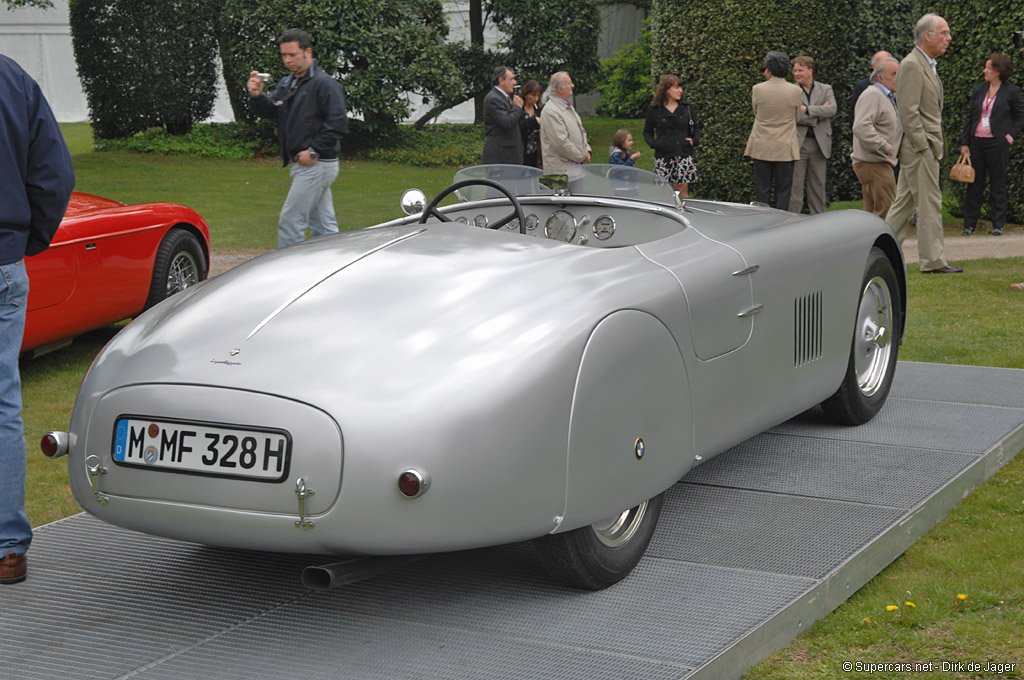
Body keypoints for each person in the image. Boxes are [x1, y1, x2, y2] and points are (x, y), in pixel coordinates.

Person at [0, 55, 75, 585]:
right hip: (3, 260)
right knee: (2, 407)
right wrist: (21, 243)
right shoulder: (12, 78)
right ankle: (7, 549)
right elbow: (54, 175)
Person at [248, 28, 349, 249]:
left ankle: (288, 275)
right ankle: (337, 268)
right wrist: (257, 96)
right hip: (309, 164)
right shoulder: (289, 83)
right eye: (284, 55)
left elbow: (338, 124)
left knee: (290, 222)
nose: (288, 60)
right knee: (324, 226)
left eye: (292, 54)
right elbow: (272, 111)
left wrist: (313, 151)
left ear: (308, 52)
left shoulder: (325, 84)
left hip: (316, 164)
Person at [884, 14, 961, 274]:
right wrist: (923, 145)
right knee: (929, 203)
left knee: (903, 204)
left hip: (921, 146)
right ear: (927, 36)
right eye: (944, 33)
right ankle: (932, 261)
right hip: (919, 147)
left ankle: (878, 250)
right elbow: (908, 111)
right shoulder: (912, 65)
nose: (949, 39)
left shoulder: (925, 63)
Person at [958, 54, 1024, 236]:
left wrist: (1009, 137)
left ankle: (998, 224)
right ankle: (969, 224)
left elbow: (1020, 117)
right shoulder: (979, 89)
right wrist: (965, 142)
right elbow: (970, 116)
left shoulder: (1012, 91)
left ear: (998, 71)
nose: (984, 71)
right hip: (976, 142)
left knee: (998, 184)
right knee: (974, 184)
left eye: (988, 68)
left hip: (998, 143)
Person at [745, 51, 802, 209]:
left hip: (762, 145)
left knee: (762, 189)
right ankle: (781, 223)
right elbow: (797, 117)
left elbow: (756, 112)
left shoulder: (758, 89)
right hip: (785, 146)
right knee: (783, 190)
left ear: (769, 69)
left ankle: (762, 221)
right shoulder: (795, 90)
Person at [851, 57, 901, 218]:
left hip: (876, 162)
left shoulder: (886, 96)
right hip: (874, 163)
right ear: (880, 77)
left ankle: (870, 244)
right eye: (894, 74)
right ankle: (884, 243)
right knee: (887, 211)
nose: (898, 78)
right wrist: (886, 147)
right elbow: (861, 126)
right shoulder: (873, 94)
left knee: (873, 214)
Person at [789, 56, 836, 214]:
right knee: (795, 189)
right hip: (798, 145)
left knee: (818, 188)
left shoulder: (826, 89)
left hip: (819, 144)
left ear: (810, 71)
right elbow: (794, 116)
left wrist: (808, 110)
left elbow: (832, 109)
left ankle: (819, 222)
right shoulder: (791, 90)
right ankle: (792, 222)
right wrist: (819, 115)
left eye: (800, 70)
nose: (796, 73)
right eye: (795, 70)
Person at [643, 75, 700, 197]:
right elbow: (647, 131)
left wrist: (693, 141)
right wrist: (654, 143)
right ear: (667, 89)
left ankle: (685, 215)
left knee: (683, 193)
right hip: (663, 156)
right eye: (676, 87)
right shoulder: (654, 109)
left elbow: (696, 129)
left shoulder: (687, 107)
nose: (680, 91)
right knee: (665, 194)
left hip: (683, 154)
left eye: (680, 87)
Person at [540, 72, 591, 175]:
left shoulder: (567, 106)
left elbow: (581, 131)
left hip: (574, 171)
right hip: (559, 174)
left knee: (577, 192)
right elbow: (561, 144)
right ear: (560, 89)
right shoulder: (550, 111)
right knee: (559, 192)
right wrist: (582, 156)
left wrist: (587, 150)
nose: (573, 85)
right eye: (569, 83)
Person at [481, 66, 525, 165]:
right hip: (500, 157)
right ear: (501, 81)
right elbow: (506, 122)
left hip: (509, 155)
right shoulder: (493, 99)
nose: (515, 82)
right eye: (511, 79)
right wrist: (517, 107)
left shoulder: (504, 98)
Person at [850, 51, 893, 126]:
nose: (886, 66)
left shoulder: (898, 85)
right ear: (874, 66)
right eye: (882, 63)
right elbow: (855, 118)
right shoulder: (863, 86)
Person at [519, 79, 543, 168]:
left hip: (537, 151)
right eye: (533, 95)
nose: (535, 99)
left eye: (538, 96)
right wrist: (534, 121)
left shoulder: (539, 111)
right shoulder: (519, 110)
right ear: (526, 94)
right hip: (524, 150)